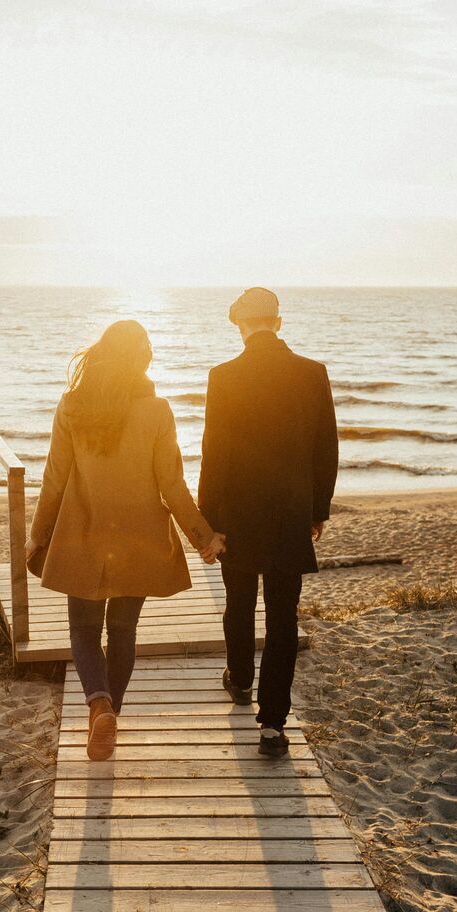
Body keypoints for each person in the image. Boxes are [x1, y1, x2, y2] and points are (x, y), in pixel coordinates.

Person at [26, 319, 223, 761]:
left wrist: (37, 536)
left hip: (83, 533)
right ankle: (110, 711)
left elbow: (54, 479)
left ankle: (99, 706)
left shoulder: (72, 406)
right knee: (123, 630)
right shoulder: (158, 411)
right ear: (142, 360)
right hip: (141, 537)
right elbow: (172, 487)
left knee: (82, 628)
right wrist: (204, 538)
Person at [199, 288, 338, 757]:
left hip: (236, 516)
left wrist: (208, 522)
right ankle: (273, 725)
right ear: (278, 323)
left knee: (238, 603)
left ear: (241, 326)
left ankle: (239, 679)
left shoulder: (223, 377)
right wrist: (317, 510)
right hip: (289, 514)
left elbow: (212, 454)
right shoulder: (311, 373)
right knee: (282, 618)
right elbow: (326, 450)